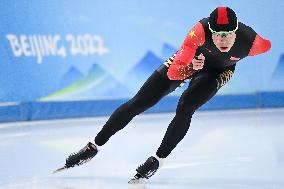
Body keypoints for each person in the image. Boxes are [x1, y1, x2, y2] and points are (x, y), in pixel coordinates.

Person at [56, 7, 271, 183]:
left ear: (236, 32)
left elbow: (268, 45)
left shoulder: (254, 43)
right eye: (218, 35)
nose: (223, 40)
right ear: (210, 32)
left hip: (220, 71)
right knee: (138, 103)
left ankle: (158, 159)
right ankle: (94, 146)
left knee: (186, 106)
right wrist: (191, 65)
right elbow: (173, 72)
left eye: (228, 35)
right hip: (188, 63)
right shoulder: (197, 32)